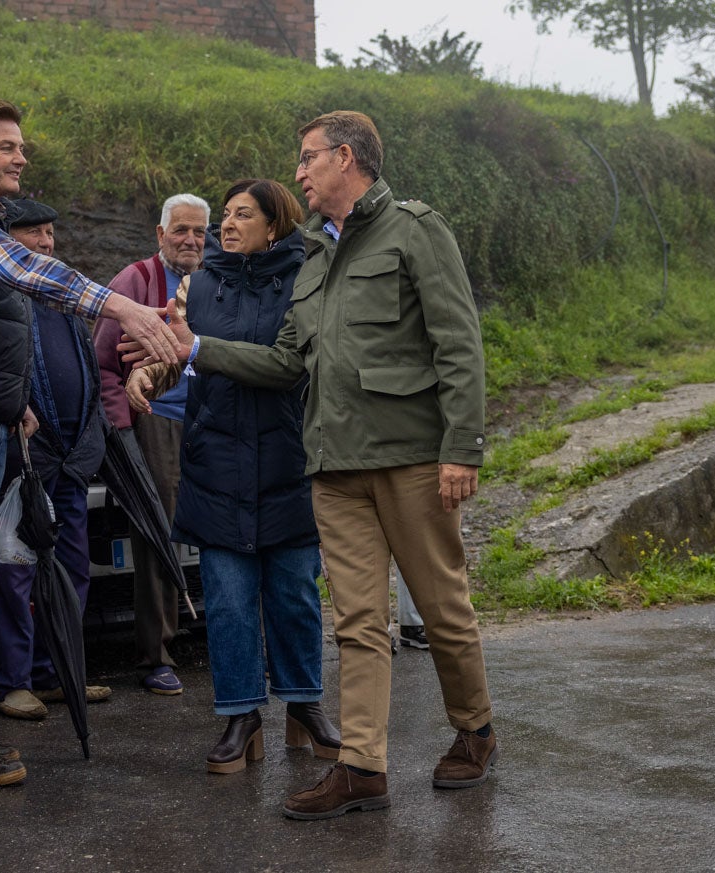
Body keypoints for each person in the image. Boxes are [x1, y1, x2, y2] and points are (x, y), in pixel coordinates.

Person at [158, 111, 496, 818]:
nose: (300, 173)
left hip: (409, 458)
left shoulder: (413, 229)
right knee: (354, 620)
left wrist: (461, 447)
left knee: (440, 608)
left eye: (309, 159)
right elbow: (285, 362)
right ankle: (362, 766)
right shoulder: (313, 259)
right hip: (332, 467)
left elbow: (457, 342)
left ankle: (474, 729)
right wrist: (194, 348)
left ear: (346, 159)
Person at [0, 97, 179, 787]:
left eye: (21, 147)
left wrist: (15, 398)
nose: (21, 156)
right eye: (6, 146)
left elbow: (7, 309)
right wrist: (124, 307)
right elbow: (23, 273)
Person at [126, 179, 338, 773]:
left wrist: (191, 349)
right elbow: (176, 356)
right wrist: (147, 376)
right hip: (216, 459)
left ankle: (303, 704)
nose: (227, 224)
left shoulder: (306, 279)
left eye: (243, 215)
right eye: (226, 214)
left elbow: (293, 366)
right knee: (227, 600)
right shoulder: (199, 283)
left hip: (288, 456)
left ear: (274, 226)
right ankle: (240, 716)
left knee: (295, 594)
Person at [0, 198, 111, 721]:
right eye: (33, 233)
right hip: (21, 458)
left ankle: (54, 672)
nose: (46, 243)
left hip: (71, 461)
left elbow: (90, 372)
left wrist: (90, 440)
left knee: (72, 569)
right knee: (12, 568)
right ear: (5, 242)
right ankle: (10, 681)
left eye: (50, 232)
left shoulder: (62, 298)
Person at [94, 192, 209, 695]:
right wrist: (122, 432)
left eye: (199, 232)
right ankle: (155, 654)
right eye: (180, 230)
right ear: (160, 234)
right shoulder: (133, 283)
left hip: (209, 420)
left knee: (224, 532)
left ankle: (225, 639)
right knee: (156, 534)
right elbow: (101, 365)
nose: (190, 240)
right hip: (154, 419)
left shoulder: (214, 283)